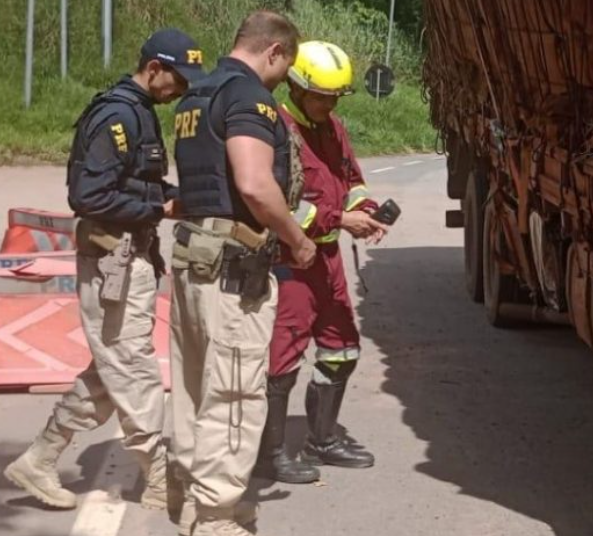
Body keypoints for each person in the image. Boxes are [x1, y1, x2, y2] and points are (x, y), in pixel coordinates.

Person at [2, 29, 204, 511]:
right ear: (153, 68)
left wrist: (172, 193)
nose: (179, 90)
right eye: (176, 79)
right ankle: (158, 477)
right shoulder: (116, 115)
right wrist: (161, 205)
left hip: (130, 259)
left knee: (110, 372)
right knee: (132, 370)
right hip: (111, 266)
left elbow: (136, 179)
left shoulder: (140, 114)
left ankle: (39, 459)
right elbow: (88, 197)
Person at [168, 11, 315, 536]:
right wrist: (298, 240)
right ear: (273, 50)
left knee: (193, 390)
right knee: (233, 396)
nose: (281, 80)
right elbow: (253, 184)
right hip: (233, 270)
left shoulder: (195, 96)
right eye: (284, 66)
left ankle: (191, 497)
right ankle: (216, 518)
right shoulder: (249, 98)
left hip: (193, 260)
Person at [255, 40, 387, 485]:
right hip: (291, 258)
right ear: (295, 86)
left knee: (342, 346)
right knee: (283, 357)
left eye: (335, 97)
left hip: (328, 257)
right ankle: (269, 454)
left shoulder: (332, 127)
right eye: (321, 96)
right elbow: (279, 205)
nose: (328, 104)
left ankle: (323, 439)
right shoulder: (276, 130)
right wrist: (338, 218)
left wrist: (364, 212)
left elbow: (352, 180)